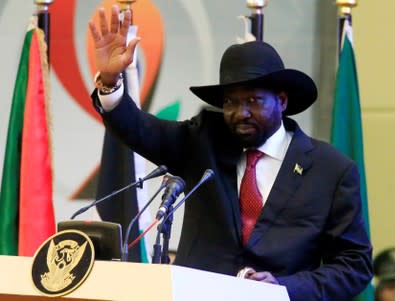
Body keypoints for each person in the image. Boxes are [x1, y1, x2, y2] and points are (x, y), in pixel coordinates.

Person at [88, 6, 373, 300]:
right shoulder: (202, 142)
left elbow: (354, 266)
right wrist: (110, 83)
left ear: (282, 101)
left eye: (253, 101)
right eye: (231, 103)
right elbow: (139, 129)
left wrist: (285, 287)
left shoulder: (331, 170)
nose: (241, 113)